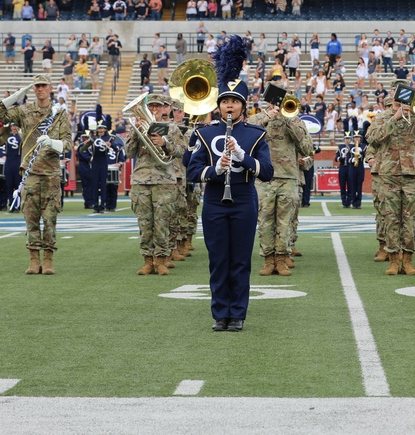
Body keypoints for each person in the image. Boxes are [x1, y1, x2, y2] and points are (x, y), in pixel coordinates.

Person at [188, 36, 274, 332]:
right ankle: (219, 314)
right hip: (213, 200)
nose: (229, 106)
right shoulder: (205, 134)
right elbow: (192, 171)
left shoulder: (255, 134)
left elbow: (268, 172)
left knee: (239, 260)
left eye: (234, 102)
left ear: (242, 106)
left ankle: (237, 313)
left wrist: (242, 157)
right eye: (225, 100)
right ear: (219, 103)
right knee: (218, 260)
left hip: (243, 198)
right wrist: (214, 169)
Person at [0, 74, 72, 275]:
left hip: (51, 173)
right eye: (36, 86)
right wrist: (17, 95)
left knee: (50, 218)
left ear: (50, 87)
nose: (40, 89)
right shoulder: (25, 110)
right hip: (30, 173)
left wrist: (52, 143)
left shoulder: (59, 113)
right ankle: (34, 259)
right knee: (31, 218)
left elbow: (68, 144)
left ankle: (49, 259)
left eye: (43, 85)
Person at [366, 84, 415, 275]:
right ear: (392, 95)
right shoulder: (382, 116)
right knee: (391, 218)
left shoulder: (414, 115)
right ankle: (393, 260)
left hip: (412, 174)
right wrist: (394, 118)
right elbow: (372, 138)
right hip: (389, 174)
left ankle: (407, 260)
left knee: (410, 219)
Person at [250, 84, 313, 277]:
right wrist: (268, 116)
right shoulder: (259, 117)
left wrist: (289, 120)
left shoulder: (296, 120)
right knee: (266, 221)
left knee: (285, 222)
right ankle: (268, 259)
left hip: (288, 178)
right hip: (264, 177)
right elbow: (247, 133)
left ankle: (282, 258)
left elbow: (307, 147)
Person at [126, 93, 186, 275]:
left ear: (164, 109)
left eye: (158, 106)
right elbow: (129, 153)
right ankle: (147, 261)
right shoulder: (137, 128)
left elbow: (181, 151)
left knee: (162, 223)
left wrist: (164, 143)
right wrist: (135, 134)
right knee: (145, 224)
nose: (154, 110)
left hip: (165, 181)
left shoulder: (172, 129)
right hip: (141, 181)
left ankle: (160, 261)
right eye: (151, 106)